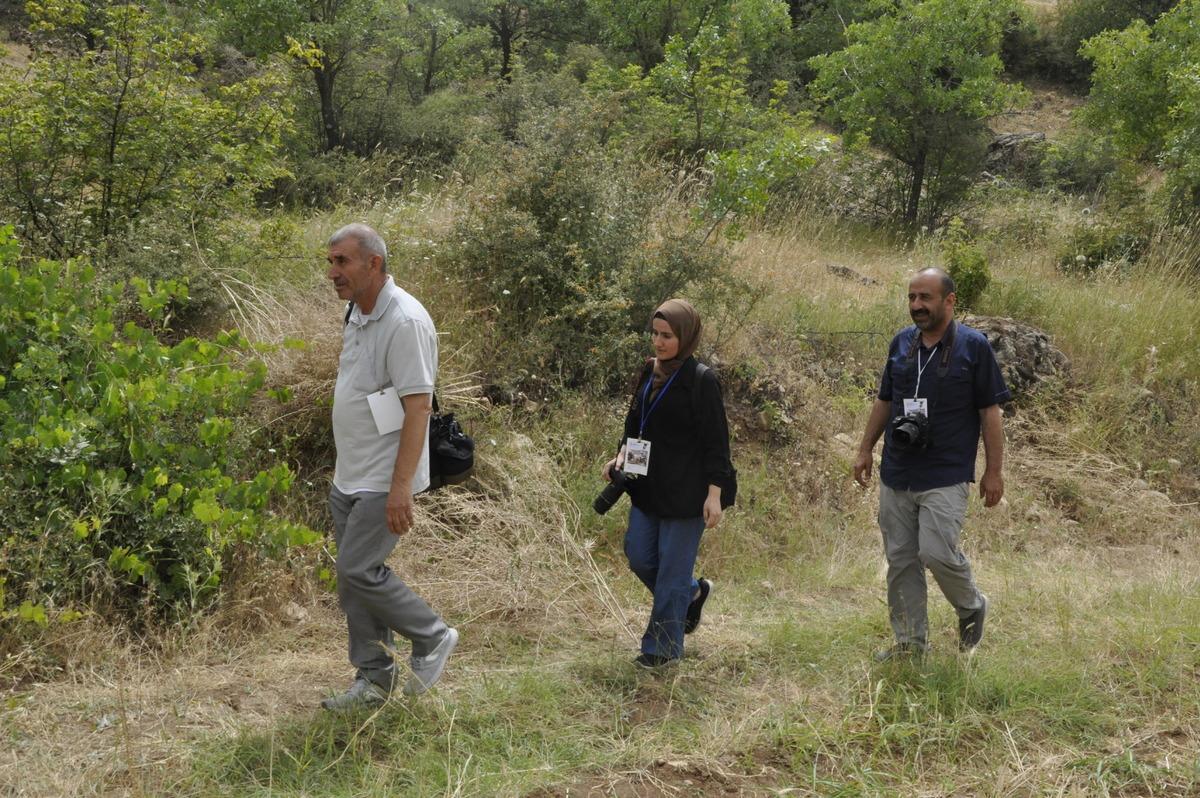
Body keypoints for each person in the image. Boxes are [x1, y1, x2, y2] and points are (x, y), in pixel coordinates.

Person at [320, 223, 458, 710]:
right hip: (350, 473)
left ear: (373, 264)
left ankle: (432, 634)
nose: (333, 272)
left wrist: (401, 487)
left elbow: (418, 407)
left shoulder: (405, 321)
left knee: (358, 568)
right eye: (331, 261)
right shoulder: (358, 311)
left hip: (383, 477)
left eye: (343, 261)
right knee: (353, 580)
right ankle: (373, 682)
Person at [853, 267, 1010, 661]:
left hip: (945, 473)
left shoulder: (973, 347)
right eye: (912, 298)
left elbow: (990, 412)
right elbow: (884, 400)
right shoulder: (901, 343)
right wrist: (864, 448)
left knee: (936, 552)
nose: (917, 306)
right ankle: (910, 643)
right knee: (902, 560)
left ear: (949, 301)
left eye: (925, 298)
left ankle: (971, 604)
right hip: (897, 471)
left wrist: (994, 471)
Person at [602, 299, 735, 668]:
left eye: (668, 336)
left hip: (687, 493)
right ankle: (693, 594)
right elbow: (636, 423)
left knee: (671, 575)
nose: (658, 343)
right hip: (648, 486)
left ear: (686, 337)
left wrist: (714, 495)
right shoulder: (650, 371)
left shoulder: (701, 380)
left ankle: (661, 651)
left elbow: (716, 443)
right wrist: (621, 457)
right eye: (655, 334)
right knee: (640, 557)